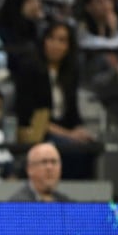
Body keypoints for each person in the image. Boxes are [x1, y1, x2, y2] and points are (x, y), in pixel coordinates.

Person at [13, 20, 96, 180]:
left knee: (91, 148)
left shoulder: (70, 74)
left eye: (62, 40)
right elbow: (30, 115)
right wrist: (69, 134)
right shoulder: (29, 69)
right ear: (44, 41)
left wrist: (79, 130)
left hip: (64, 133)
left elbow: (72, 112)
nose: (55, 45)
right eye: (51, 38)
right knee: (70, 149)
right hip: (38, 132)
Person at [8, 142, 72, 202]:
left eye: (54, 162)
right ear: (30, 169)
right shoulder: (18, 205)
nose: (49, 167)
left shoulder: (66, 203)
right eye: (44, 162)